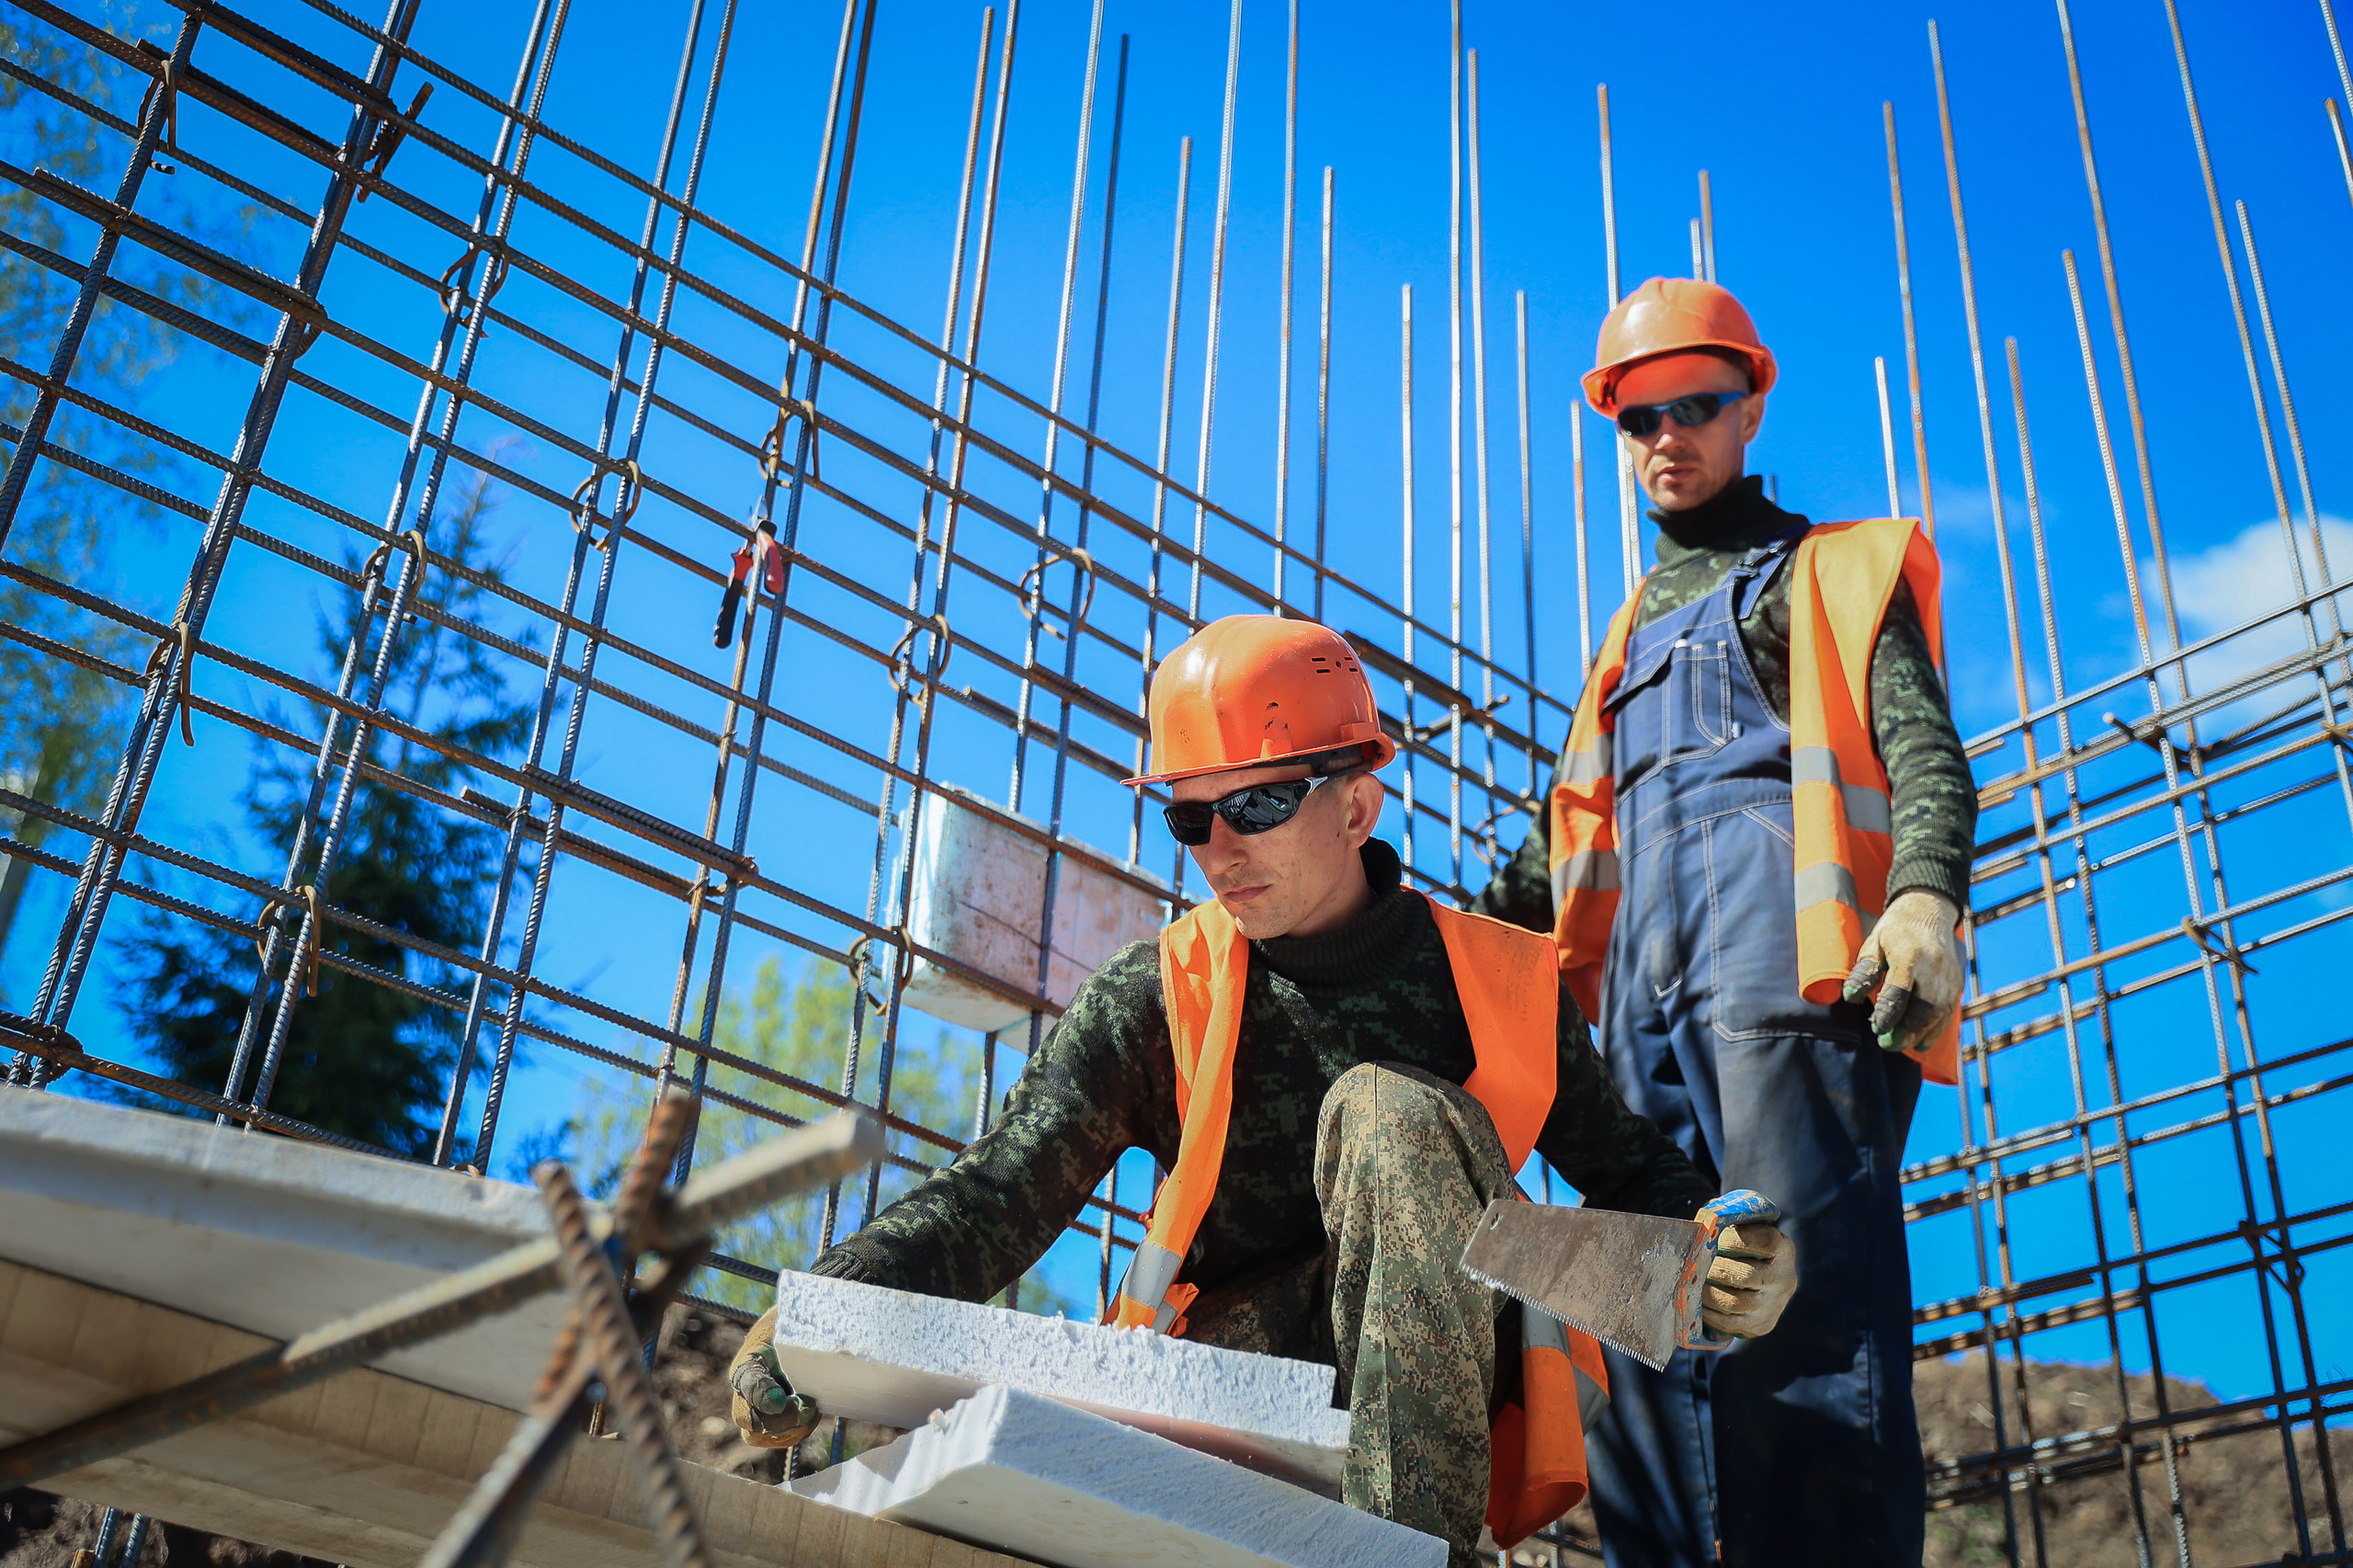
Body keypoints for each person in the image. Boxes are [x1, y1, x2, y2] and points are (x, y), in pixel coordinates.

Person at [729, 614, 1797, 1567]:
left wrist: (1718, 1257)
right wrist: (824, 1300)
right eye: (1192, 819)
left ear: (1357, 803)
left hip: (1436, 1407)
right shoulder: (1160, 992)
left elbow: (1636, 1174)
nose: (1221, 850)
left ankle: (1406, 1550)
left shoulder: (1496, 980)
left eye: (1259, 802)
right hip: (1220, 1403)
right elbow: (1002, 1190)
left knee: (1388, 1107)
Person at [1472, 277, 1979, 1568]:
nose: (1665, 436)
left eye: (1696, 404)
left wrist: (1924, 890)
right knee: (1646, 1324)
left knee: (1800, 1322)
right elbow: (1559, 847)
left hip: (1785, 994)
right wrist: (1444, 963)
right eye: (1637, 416)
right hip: (1636, 1015)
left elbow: (1925, 752)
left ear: (1751, 403)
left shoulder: (1828, 570)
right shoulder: (1623, 638)